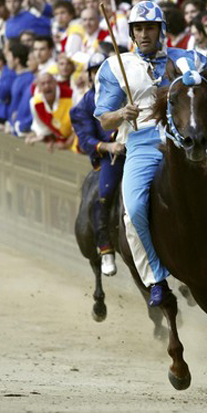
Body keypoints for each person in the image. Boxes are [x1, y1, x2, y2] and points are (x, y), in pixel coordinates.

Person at [94, 1, 207, 307]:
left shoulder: (188, 58)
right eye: (138, 29)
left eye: (149, 28)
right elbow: (103, 119)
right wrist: (121, 113)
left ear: (161, 30)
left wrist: (199, 99)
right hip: (141, 144)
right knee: (134, 210)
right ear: (132, 33)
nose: (143, 35)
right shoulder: (115, 67)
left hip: (186, 140)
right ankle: (155, 277)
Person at [70, 53, 125, 275]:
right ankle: (105, 247)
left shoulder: (125, 94)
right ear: (91, 76)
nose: (101, 75)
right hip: (112, 156)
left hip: (139, 149)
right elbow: (85, 140)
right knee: (105, 194)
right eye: (96, 71)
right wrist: (108, 147)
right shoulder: (82, 107)